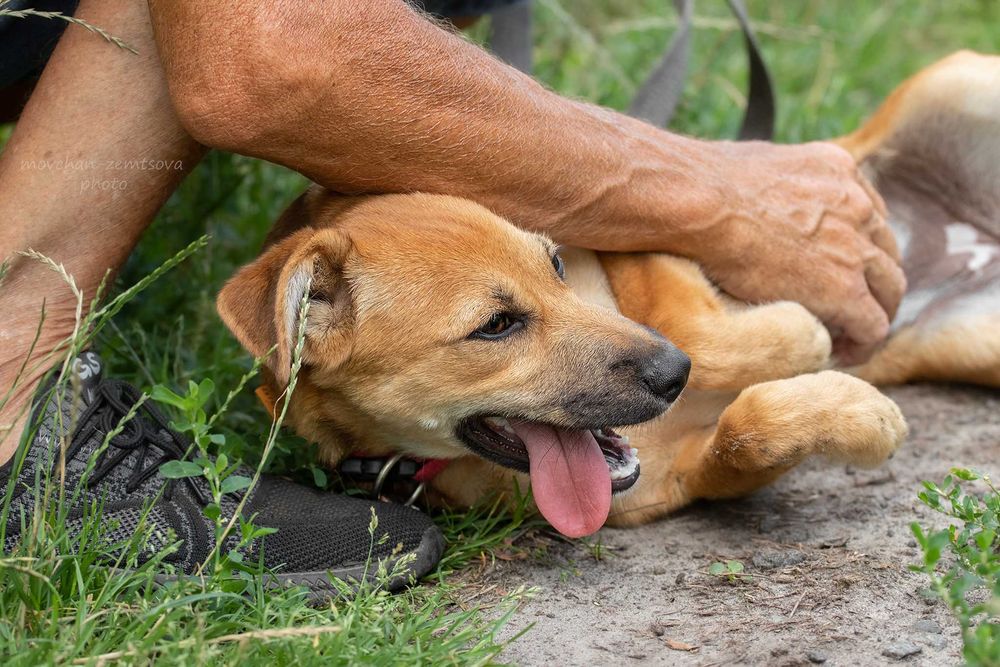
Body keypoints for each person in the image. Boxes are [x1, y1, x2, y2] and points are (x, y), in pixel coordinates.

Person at [0, 0, 904, 592]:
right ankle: (14, 390)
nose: (645, 351)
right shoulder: (334, 299)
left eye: (548, 267)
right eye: (498, 325)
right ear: (308, 323)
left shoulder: (455, 241)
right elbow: (271, 48)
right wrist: (724, 199)